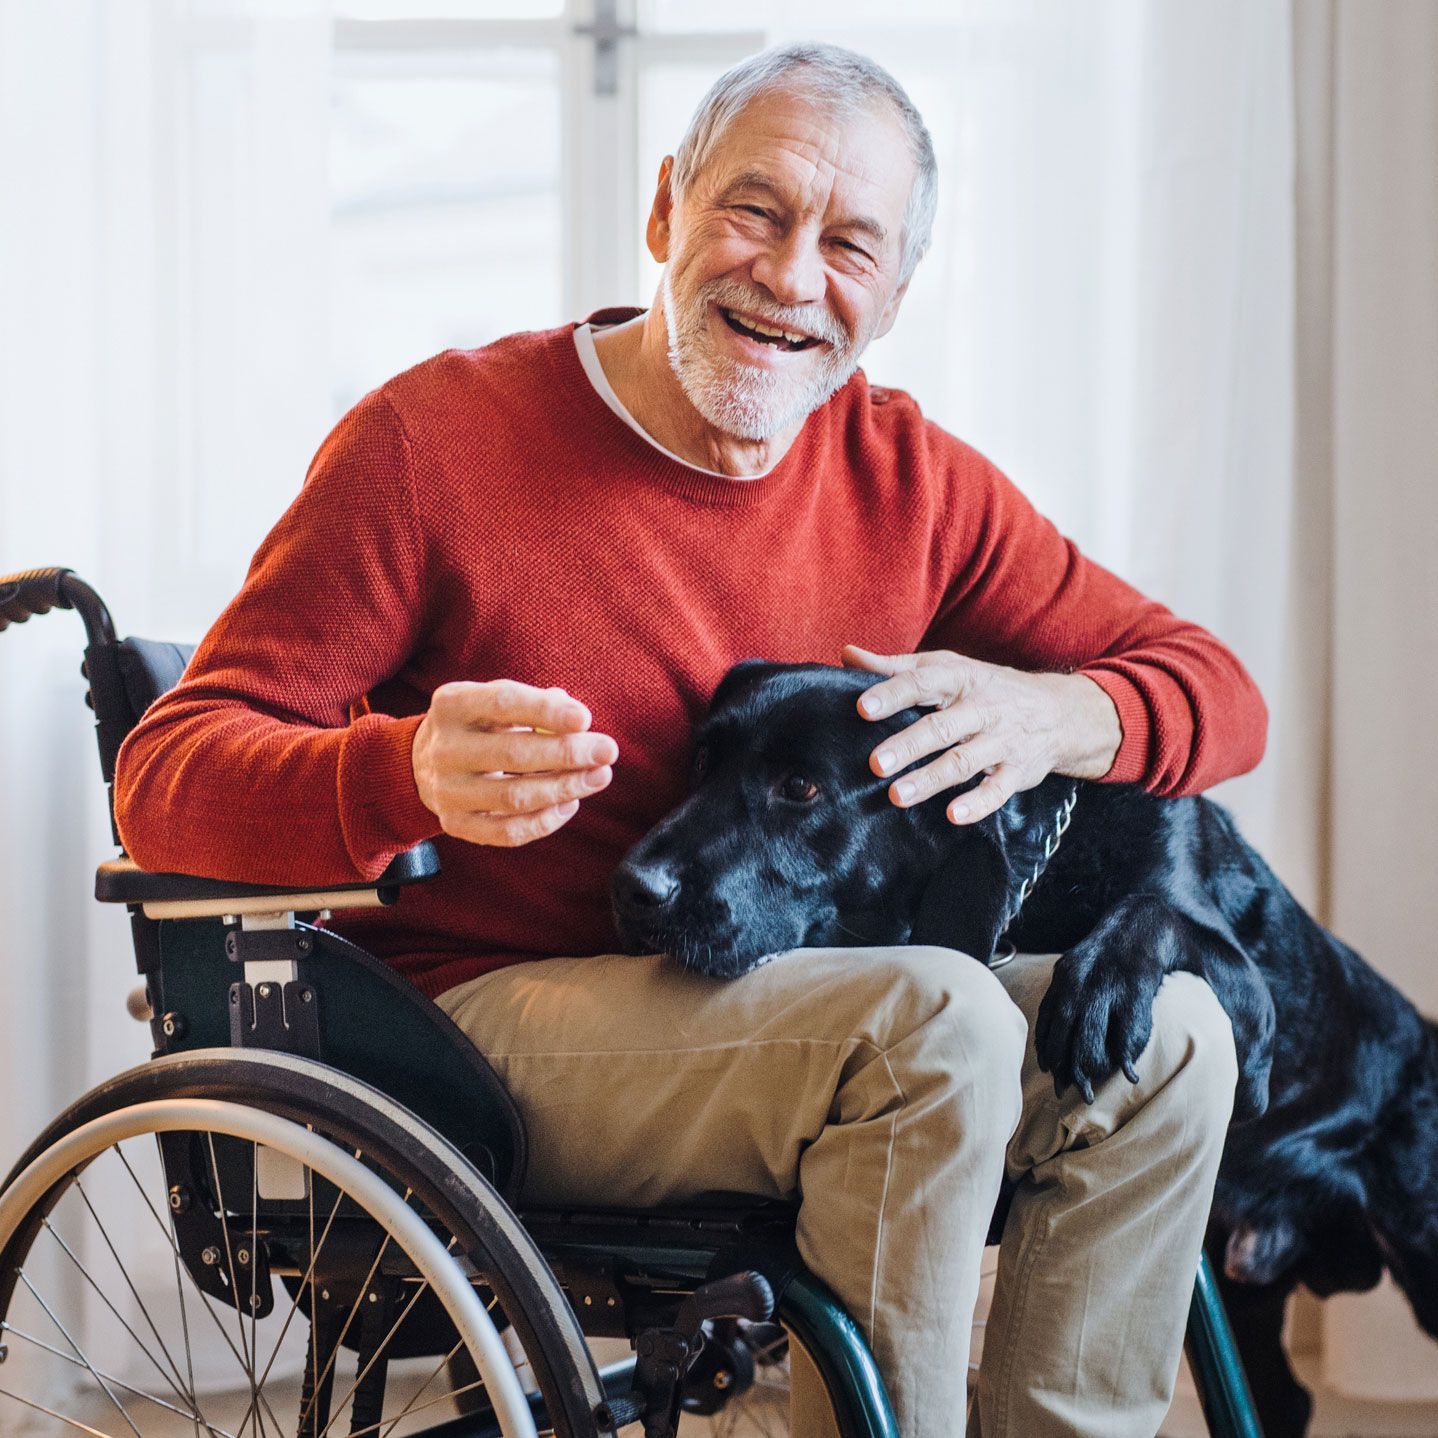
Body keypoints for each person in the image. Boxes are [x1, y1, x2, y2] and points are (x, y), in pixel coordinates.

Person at [114, 41, 1266, 1438]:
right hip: (481, 1028)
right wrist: (398, 769)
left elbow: (1217, 694)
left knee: (1175, 1033)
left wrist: (1054, 708)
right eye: (753, 210)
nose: (789, 276)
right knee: (937, 1014)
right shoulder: (433, 442)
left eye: (848, 242)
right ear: (663, 210)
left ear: (893, 293)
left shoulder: (911, 479)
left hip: (787, 1011)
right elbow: (164, 776)